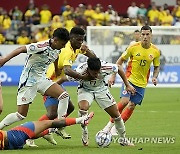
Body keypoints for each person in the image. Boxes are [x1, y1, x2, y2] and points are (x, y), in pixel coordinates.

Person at [26, 27, 96, 147]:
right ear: (71, 39)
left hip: (56, 82)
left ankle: (53, 128)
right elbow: (67, 70)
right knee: (52, 113)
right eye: (79, 40)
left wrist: (87, 49)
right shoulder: (67, 50)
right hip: (50, 81)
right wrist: (82, 77)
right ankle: (30, 135)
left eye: (82, 40)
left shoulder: (76, 47)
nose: (81, 42)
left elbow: (93, 58)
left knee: (70, 108)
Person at [0, 28, 72, 134]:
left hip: (41, 79)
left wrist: (56, 69)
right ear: (55, 40)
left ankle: (59, 125)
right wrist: (4, 60)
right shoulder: (41, 46)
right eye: (62, 43)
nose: (64, 46)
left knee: (64, 96)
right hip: (28, 81)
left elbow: (56, 56)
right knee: (21, 115)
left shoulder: (58, 48)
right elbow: (20, 49)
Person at [57, 57, 136, 146]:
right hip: (85, 90)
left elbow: (119, 68)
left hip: (101, 90)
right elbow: (64, 78)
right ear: (88, 69)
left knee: (116, 115)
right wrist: (51, 88)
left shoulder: (105, 67)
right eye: (94, 73)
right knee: (83, 109)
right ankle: (84, 133)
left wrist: (127, 85)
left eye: (98, 72)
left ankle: (123, 139)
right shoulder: (80, 71)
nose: (97, 74)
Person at [103, 25, 160, 135]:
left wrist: (154, 77)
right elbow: (119, 62)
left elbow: (157, 67)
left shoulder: (156, 51)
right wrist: (113, 76)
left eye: (147, 34)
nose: (145, 37)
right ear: (140, 35)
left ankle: (116, 129)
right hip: (129, 79)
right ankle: (108, 126)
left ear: (151, 35)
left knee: (132, 105)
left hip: (142, 83)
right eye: (143, 34)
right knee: (124, 101)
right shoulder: (133, 47)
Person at [0, 112, 94, 150]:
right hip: (13, 136)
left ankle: (51, 131)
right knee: (50, 123)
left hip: (13, 145)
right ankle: (81, 120)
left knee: (32, 133)